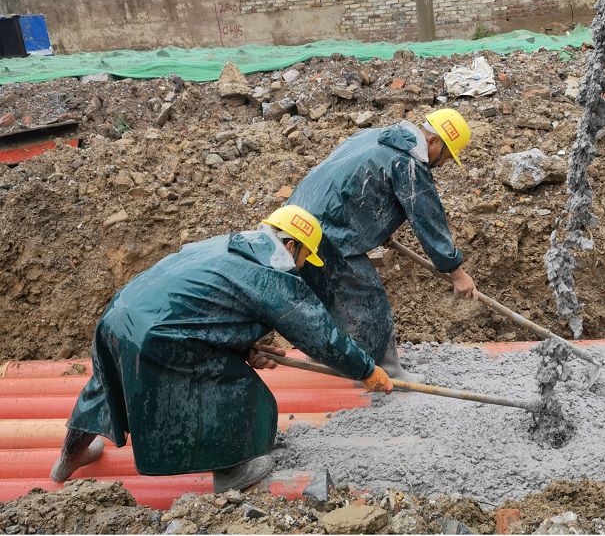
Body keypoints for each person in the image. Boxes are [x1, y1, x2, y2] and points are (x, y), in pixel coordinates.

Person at [49, 205, 392, 493]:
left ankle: (69, 457)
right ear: (291, 246)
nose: (302, 267)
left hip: (118, 316)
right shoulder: (271, 275)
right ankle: (231, 473)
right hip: (159, 336)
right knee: (237, 389)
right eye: (304, 258)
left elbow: (202, 306)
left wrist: (243, 345)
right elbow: (320, 336)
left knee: (105, 386)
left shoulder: (228, 245)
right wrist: (366, 370)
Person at [287, 108, 478, 381]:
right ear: (434, 142)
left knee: (327, 295)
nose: (443, 163)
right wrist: (457, 274)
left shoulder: (372, 136)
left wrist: (376, 229)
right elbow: (428, 221)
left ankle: (330, 357)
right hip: (327, 233)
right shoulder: (408, 163)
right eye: (446, 156)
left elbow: (352, 181)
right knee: (369, 300)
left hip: (294, 221)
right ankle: (389, 370)